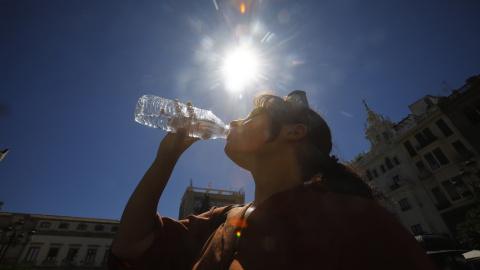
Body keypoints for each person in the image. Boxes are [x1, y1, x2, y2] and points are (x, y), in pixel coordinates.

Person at [109, 91, 437, 269]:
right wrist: (166, 157)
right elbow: (131, 244)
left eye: (252, 116)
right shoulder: (224, 219)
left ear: (294, 132)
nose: (236, 119)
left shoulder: (358, 220)